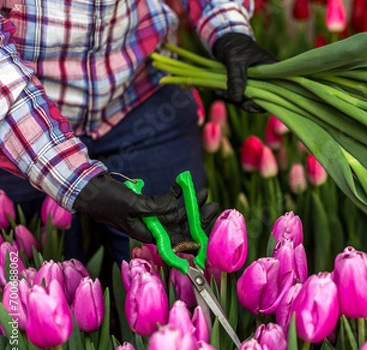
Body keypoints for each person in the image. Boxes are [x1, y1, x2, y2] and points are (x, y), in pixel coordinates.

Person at [0, 0, 276, 263]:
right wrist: (79, 184)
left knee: (174, 275)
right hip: (17, 128)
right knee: (37, 285)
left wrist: (228, 28)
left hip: (143, 95)